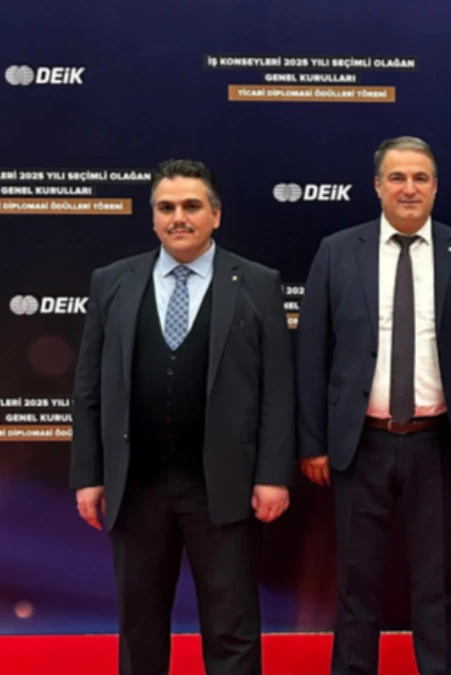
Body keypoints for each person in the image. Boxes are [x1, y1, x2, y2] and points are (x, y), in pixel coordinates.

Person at [70, 158, 295, 675]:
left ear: (215, 215)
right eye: (166, 207)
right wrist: (88, 474)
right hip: (137, 485)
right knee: (139, 627)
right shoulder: (112, 281)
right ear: (153, 218)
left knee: (232, 626)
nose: (179, 218)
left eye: (191, 206)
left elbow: (278, 390)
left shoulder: (258, 283)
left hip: (225, 485)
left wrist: (272, 476)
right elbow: (88, 388)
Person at [295, 136, 451, 675]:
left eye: (420, 178)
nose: (409, 188)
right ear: (377, 186)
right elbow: (312, 354)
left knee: (436, 583)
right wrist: (313, 442)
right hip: (359, 443)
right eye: (397, 178)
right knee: (356, 582)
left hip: (439, 444)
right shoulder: (337, 251)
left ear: (435, 187)